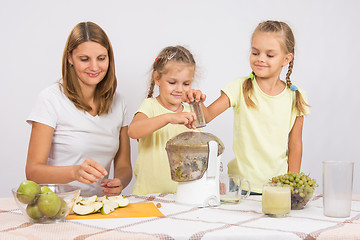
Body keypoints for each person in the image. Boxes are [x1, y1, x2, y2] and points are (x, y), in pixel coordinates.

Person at [184, 20, 310, 194]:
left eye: (270, 55)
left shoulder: (295, 96)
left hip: (278, 187)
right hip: (242, 187)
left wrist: (292, 185)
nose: (260, 59)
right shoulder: (239, 87)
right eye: (255, 52)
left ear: (286, 59)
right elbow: (205, 117)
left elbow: (295, 144)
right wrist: (196, 101)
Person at [25, 22, 132, 197]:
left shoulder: (118, 102)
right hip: (56, 206)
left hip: (98, 206)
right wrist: (74, 172)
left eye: (101, 58)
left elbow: (124, 166)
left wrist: (119, 181)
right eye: (84, 59)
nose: (95, 67)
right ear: (70, 58)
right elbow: (33, 172)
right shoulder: (50, 99)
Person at [128, 46, 200, 195]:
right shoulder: (150, 105)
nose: (180, 89)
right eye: (172, 82)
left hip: (183, 197)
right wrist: (168, 118)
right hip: (147, 196)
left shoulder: (191, 112)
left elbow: (199, 155)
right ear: (157, 79)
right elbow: (133, 131)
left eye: (186, 83)